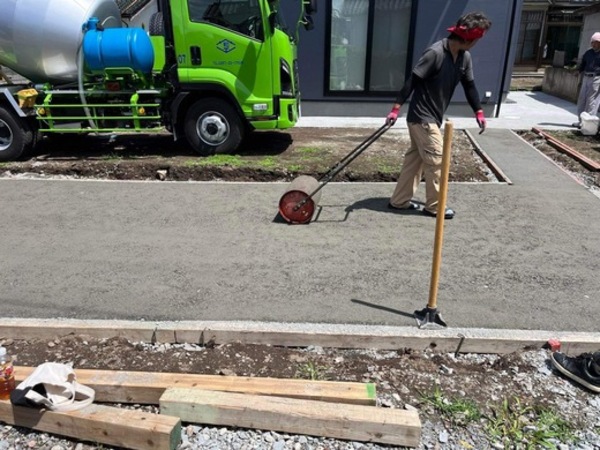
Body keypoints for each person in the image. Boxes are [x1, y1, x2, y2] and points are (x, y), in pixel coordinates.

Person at [385, 12, 492, 219]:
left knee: (415, 160)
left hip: (431, 117)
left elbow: (469, 86)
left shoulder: (464, 57)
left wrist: (478, 111)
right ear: (469, 39)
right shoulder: (435, 53)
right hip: (421, 117)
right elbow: (412, 81)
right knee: (437, 161)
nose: (478, 43)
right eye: (478, 39)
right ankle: (435, 206)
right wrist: (395, 108)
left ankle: (399, 201)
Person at [573, 32, 600, 128]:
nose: (593, 44)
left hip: (596, 77)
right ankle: (580, 121)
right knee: (582, 99)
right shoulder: (588, 52)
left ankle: (588, 123)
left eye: (596, 42)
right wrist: (578, 71)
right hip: (586, 76)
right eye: (592, 42)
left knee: (591, 100)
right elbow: (583, 63)